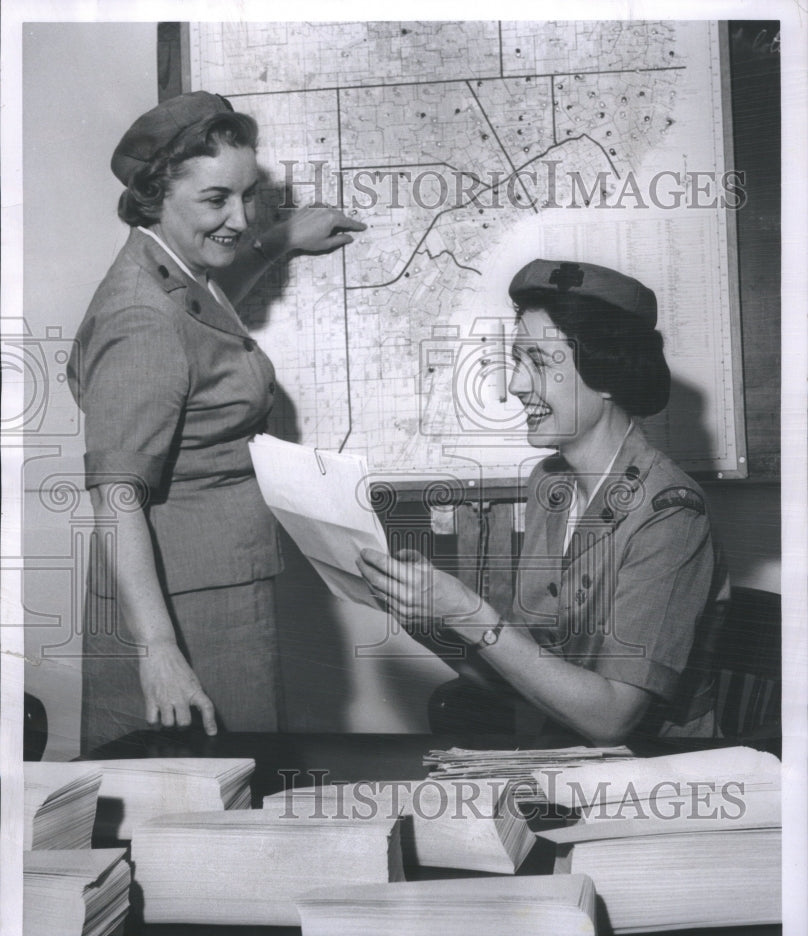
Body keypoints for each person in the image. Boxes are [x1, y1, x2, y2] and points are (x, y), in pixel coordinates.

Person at [68, 91, 365, 753]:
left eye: (246, 195)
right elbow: (115, 497)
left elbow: (208, 314)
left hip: (214, 586)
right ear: (155, 196)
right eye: (214, 201)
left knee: (233, 794)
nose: (237, 217)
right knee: (208, 806)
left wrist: (279, 240)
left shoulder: (173, 270)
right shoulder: (140, 316)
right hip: (182, 611)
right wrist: (161, 651)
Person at [359, 259, 729, 743]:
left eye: (539, 361)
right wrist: (424, 614)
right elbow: (529, 674)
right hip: (567, 755)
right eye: (518, 360)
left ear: (606, 372)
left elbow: (613, 717)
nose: (514, 385)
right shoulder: (548, 484)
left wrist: (468, 613)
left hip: (658, 775)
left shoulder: (671, 512)